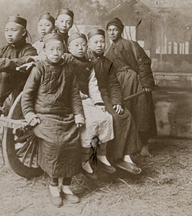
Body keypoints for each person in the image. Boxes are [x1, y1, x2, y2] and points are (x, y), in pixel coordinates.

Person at [21, 31, 84, 207]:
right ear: (45, 50)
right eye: (51, 49)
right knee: (56, 143)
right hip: (44, 115)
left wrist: (78, 114)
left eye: (59, 49)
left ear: (64, 50)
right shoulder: (39, 68)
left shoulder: (68, 69)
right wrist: (29, 114)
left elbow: (74, 95)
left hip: (66, 115)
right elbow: (27, 95)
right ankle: (54, 186)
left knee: (73, 141)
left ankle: (67, 186)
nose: (55, 52)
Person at [87, 28, 143, 174]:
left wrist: (117, 101)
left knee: (125, 115)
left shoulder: (107, 62)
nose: (100, 45)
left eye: (102, 42)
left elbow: (114, 84)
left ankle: (125, 156)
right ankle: (108, 155)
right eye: (96, 42)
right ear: (88, 44)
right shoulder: (85, 60)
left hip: (106, 95)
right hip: (91, 96)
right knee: (113, 118)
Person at [105, 18, 157, 157]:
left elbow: (143, 62)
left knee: (142, 111)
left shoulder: (131, 45)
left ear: (120, 30)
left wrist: (146, 83)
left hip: (135, 81)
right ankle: (131, 145)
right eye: (109, 30)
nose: (112, 33)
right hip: (118, 84)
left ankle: (144, 145)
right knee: (127, 112)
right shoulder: (108, 51)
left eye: (115, 29)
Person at [66, 32, 115, 180]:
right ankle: (85, 159)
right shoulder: (66, 62)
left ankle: (101, 154)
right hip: (70, 100)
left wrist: (99, 103)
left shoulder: (89, 64)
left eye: (83, 44)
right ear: (68, 48)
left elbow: (92, 85)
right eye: (76, 45)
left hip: (86, 99)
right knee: (90, 122)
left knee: (106, 117)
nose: (80, 48)